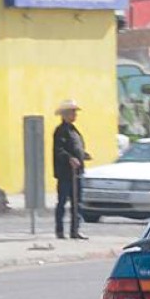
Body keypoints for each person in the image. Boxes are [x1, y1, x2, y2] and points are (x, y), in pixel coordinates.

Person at [53, 99, 91, 240]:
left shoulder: (74, 130)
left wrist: (83, 155)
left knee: (77, 203)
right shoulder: (61, 131)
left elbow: (76, 147)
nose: (75, 114)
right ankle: (60, 231)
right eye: (72, 112)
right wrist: (70, 158)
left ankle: (75, 230)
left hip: (77, 173)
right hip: (66, 174)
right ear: (65, 114)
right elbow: (59, 150)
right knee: (62, 202)